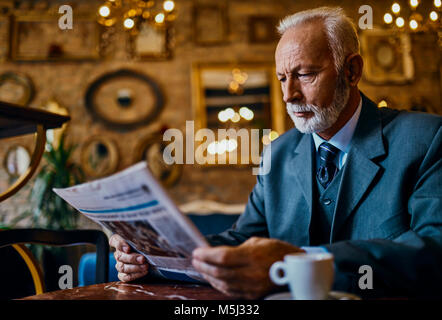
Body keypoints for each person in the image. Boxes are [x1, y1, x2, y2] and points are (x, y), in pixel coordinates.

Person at [109, 7, 442, 299]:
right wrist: (153, 256)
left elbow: (434, 250)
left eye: (305, 75)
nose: (288, 95)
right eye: (282, 78)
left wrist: (296, 260)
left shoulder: (427, 139)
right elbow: (244, 239)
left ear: (352, 71)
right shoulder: (277, 154)